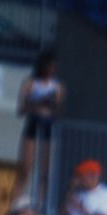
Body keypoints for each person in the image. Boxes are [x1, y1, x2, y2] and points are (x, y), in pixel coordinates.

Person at [14, 51, 62, 204]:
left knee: (45, 170)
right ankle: (19, 199)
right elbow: (21, 109)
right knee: (26, 167)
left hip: (48, 125)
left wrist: (50, 104)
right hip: (33, 122)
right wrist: (38, 102)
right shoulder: (30, 83)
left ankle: (40, 202)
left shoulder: (57, 86)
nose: (51, 70)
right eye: (49, 67)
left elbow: (58, 111)